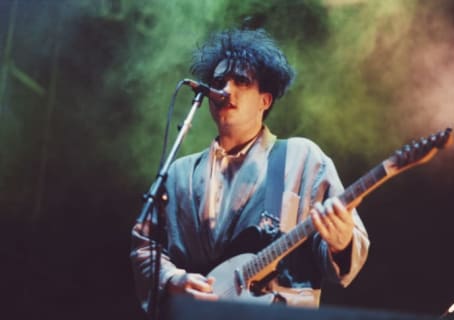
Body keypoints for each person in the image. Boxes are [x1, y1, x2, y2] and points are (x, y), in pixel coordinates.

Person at [130, 28, 369, 314]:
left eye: (241, 81)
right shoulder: (179, 172)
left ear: (264, 101)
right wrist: (172, 279)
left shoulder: (301, 157)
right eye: (219, 81)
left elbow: (343, 252)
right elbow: (145, 245)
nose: (226, 89)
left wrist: (341, 243)